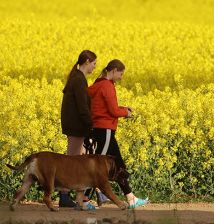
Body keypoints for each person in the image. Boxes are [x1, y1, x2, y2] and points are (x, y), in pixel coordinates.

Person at [88, 59, 149, 209]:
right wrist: (126, 113)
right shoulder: (107, 86)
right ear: (114, 70)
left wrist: (122, 108)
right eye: (121, 74)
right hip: (105, 130)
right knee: (97, 166)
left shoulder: (98, 83)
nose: (121, 77)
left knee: (117, 165)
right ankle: (83, 199)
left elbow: (105, 107)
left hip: (100, 129)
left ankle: (131, 198)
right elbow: (113, 111)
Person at [60, 50, 97, 210]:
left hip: (73, 125)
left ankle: (76, 196)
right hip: (76, 127)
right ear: (87, 61)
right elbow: (82, 107)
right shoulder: (79, 80)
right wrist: (90, 125)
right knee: (72, 162)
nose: (95, 67)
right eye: (94, 63)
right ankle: (64, 195)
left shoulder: (76, 77)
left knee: (74, 160)